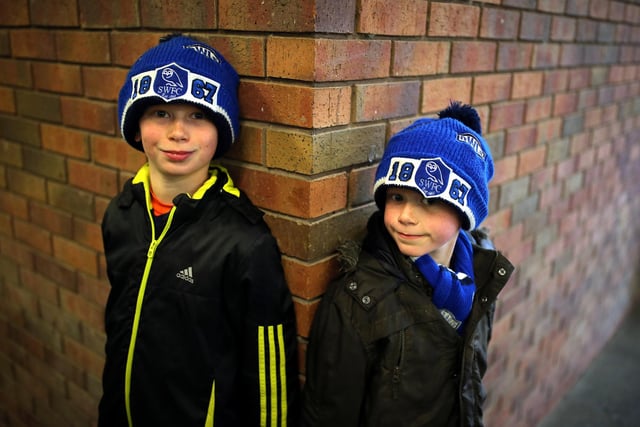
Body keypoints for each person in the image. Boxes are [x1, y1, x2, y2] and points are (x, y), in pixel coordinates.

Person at [99, 33, 299, 427]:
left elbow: (270, 378)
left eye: (197, 115)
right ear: (136, 127)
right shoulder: (120, 214)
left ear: (220, 132)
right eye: (161, 113)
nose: (178, 132)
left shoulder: (244, 241)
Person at [301, 102, 514, 427]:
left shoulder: (481, 277)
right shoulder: (360, 300)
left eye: (428, 201)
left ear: (465, 213)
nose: (405, 216)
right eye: (397, 197)